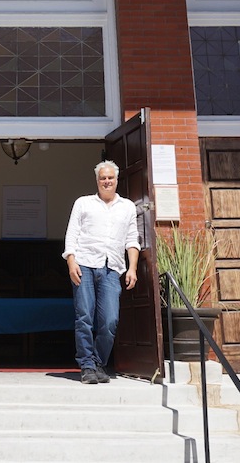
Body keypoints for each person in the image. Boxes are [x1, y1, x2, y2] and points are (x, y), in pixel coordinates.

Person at [63, 160, 140, 384]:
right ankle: (87, 365)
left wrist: (132, 268)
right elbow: (72, 234)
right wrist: (71, 262)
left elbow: (132, 239)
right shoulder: (83, 203)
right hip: (84, 264)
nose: (106, 181)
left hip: (112, 268)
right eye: (102, 178)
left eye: (110, 178)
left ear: (117, 180)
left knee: (110, 320)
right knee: (84, 316)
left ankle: (97, 362)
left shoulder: (127, 207)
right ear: (97, 181)